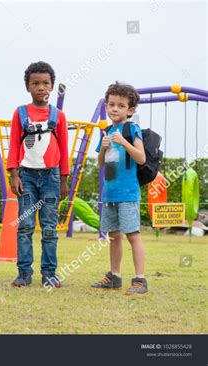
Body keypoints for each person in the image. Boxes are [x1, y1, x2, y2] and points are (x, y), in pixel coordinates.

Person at [7, 61, 69, 288]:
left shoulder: (58, 116)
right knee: (24, 226)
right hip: (26, 177)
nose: (41, 87)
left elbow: (63, 148)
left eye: (45, 83)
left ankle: (49, 273)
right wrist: (14, 175)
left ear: (51, 86)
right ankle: (24, 273)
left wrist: (64, 181)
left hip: (51, 178)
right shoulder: (20, 113)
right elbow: (14, 145)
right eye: (35, 83)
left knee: (50, 228)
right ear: (28, 87)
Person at [92, 82, 149, 295]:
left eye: (121, 106)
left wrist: (124, 143)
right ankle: (114, 276)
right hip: (110, 193)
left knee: (132, 235)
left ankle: (140, 279)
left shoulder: (130, 128)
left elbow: (141, 158)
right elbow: (101, 163)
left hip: (127, 193)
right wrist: (103, 148)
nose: (115, 109)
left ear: (130, 110)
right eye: (111, 104)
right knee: (114, 236)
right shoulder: (106, 131)